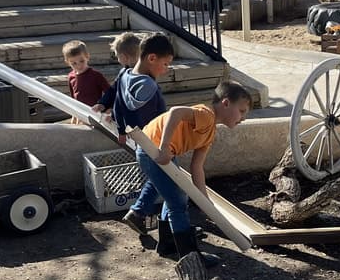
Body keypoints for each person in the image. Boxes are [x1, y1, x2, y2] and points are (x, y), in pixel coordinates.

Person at [136, 80, 252, 267]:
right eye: (242, 111)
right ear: (226, 103)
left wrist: (204, 201)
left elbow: (197, 167)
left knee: (174, 196)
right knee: (178, 202)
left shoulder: (210, 132)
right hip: (151, 149)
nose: (243, 118)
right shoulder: (206, 115)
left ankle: (167, 244)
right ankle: (190, 256)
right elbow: (175, 112)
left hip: (158, 151)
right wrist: (164, 146)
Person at [114, 34, 174, 239]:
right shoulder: (149, 86)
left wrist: (121, 129)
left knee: (161, 181)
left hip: (142, 143)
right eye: (165, 64)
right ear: (152, 58)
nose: (166, 70)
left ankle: (138, 213)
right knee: (174, 190)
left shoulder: (125, 76)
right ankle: (172, 232)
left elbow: (118, 105)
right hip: (157, 143)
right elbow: (154, 121)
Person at [93, 32, 141, 122]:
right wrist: (103, 103)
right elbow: (113, 90)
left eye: (117, 56)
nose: (118, 60)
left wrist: (114, 115)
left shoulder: (139, 78)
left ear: (123, 57)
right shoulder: (123, 72)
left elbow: (129, 104)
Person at [63, 39, 112, 117]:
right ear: (68, 63)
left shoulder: (96, 76)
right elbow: (73, 98)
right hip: (80, 115)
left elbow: (110, 93)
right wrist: (74, 115)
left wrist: (108, 108)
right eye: (74, 63)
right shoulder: (71, 77)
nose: (79, 66)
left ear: (87, 57)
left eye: (81, 61)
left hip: (95, 115)